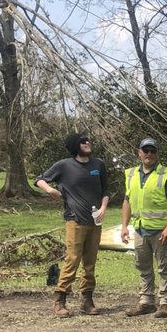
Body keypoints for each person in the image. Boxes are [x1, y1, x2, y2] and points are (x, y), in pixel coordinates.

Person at [35, 133, 110, 318]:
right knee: (72, 259)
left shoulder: (98, 164)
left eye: (88, 140)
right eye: (83, 141)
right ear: (75, 146)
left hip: (95, 221)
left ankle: (87, 300)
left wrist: (103, 207)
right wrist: (50, 190)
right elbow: (39, 179)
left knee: (90, 263)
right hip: (74, 220)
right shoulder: (64, 166)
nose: (87, 142)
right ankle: (60, 300)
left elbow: (105, 190)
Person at [121, 137, 167, 319]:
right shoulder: (131, 174)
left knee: (164, 267)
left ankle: (164, 303)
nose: (149, 154)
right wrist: (124, 226)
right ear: (139, 152)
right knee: (143, 266)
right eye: (145, 150)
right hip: (139, 229)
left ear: (157, 153)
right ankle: (146, 301)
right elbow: (127, 201)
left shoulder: (166, 174)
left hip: (160, 230)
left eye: (152, 151)